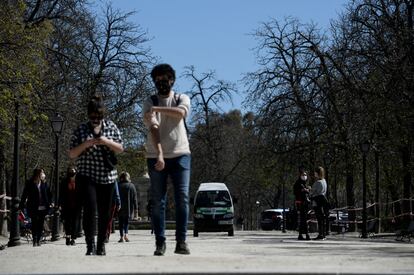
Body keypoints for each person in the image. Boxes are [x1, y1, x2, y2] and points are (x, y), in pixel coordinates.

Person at [143, 63, 191, 256]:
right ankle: (160, 242)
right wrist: (160, 154)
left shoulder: (181, 98)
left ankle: (181, 241)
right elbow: (154, 129)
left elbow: (180, 114)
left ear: (172, 80)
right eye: (158, 80)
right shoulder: (149, 101)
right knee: (158, 201)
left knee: (183, 198)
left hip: (181, 154)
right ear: (154, 81)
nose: (162, 83)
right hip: (156, 154)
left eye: (165, 79)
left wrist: (157, 109)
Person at [69, 94, 123, 256]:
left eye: (99, 116)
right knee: (90, 209)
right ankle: (90, 244)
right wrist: (86, 143)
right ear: (88, 114)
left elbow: (120, 148)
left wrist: (105, 141)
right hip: (87, 174)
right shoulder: (81, 129)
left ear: (103, 115)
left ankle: (101, 244)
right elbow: (72, 153)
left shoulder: (111, 127)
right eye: (93, 116)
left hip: (107, 176)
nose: (96, 119)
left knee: (105, 212)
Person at [19, 168, 52, 247]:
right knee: (34, 223)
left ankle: (39, 239)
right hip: (33, 206)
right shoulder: (30, 183)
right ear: (37, 174)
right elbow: (25, 194)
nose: (43, 174)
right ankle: (35, 239)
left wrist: (51, 202)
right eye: (42, 173)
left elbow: (49, 194)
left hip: (43, 206)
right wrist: (21, 205)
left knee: (40, 223)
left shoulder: (44, 183)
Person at [60, 166, 79, 246]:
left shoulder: (78, 182)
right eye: (70, 170)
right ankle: (68, 236)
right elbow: (61, 194)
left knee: (75, 222)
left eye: (73, 170)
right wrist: (60, 204)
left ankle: (73, 239)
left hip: (76, 206)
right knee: (67, 222)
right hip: (66, 205)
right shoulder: (64, 181)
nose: (72, 171)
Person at [117, 171, 138, 243]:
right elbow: (135, 199)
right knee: (126, 222)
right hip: (129, 208)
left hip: (119, 207)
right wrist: (136, 209)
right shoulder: (131, 185)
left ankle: (121, 237)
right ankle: (126, 235)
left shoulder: (118, 185)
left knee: (120, 222)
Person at [310, 166, 329, 240]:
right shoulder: (324, 181)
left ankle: (320, 234)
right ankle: (323, 233)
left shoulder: (317, 182)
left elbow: (312, 192)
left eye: (315, 173)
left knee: (319, 218)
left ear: (317, 173)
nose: (314, 174)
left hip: (317, 202)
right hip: (323, 201)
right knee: (322, 218)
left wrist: (309, 189)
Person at [293, 167, 310, 241]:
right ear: (300, 175)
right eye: (303, 174)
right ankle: (306, 234)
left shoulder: (304, 183)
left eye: (305, 175)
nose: (305, 176)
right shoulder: (298, 183)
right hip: (301, 203)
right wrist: (304, 190)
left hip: (304, 203)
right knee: (304, 219)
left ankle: (301, 234)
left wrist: (307, 189)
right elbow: (296, 193)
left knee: (303, 219)